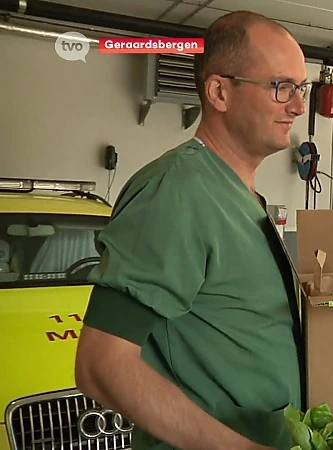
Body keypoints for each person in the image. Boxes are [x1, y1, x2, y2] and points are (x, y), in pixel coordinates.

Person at [74, 11, 310, 450]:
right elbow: (102, 365)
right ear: (219, 91)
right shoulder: (176, 192)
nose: (297, 106)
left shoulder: (240, 196)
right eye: (280, 87)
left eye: (301, 88)